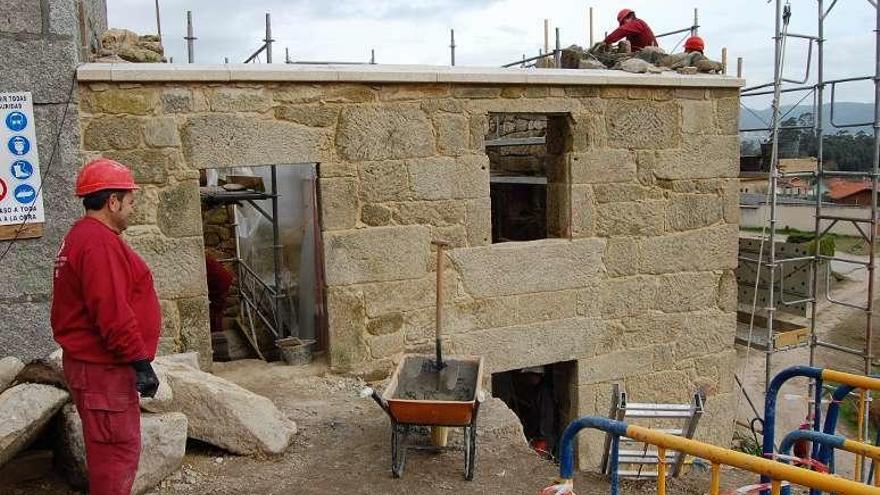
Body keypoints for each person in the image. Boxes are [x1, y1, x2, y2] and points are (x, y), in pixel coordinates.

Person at [51, 158, 161, 495]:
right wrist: (141, 363)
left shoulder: (82, 236)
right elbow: (112, 312)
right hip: (103, 370)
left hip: (96, 368)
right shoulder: (98, 242)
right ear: (112, 201)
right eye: (129, 201)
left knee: (110, 455)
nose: (132, 208)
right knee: (115, 457)